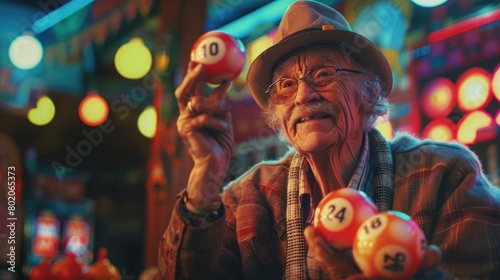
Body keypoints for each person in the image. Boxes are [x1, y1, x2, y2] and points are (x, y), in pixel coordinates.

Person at [155, 1, 500, 279]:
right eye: (287, 85)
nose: (303, 95)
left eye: (324, 74)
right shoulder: (245, 199)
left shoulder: (444, 174)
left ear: (368, 92)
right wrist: (206, 173)